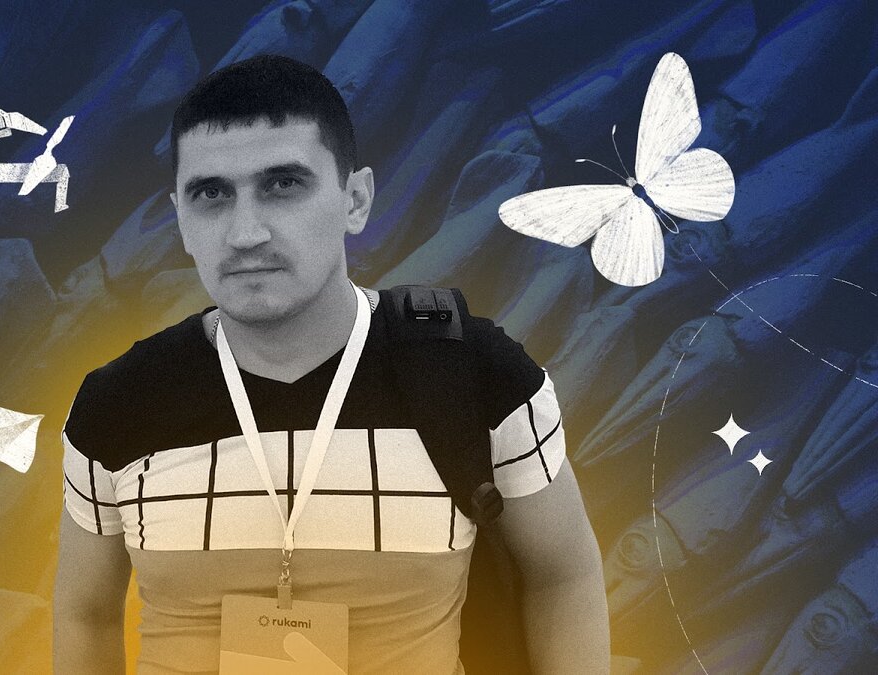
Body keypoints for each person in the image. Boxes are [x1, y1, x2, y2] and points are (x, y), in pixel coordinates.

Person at [54, 54, 609, 674]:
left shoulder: (478, 374)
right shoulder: (117, 402)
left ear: (355, 199)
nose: (245, 233)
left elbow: (563, 576)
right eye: (211, 194)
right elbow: (86, 613)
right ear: (180, 218)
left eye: (282, 185)